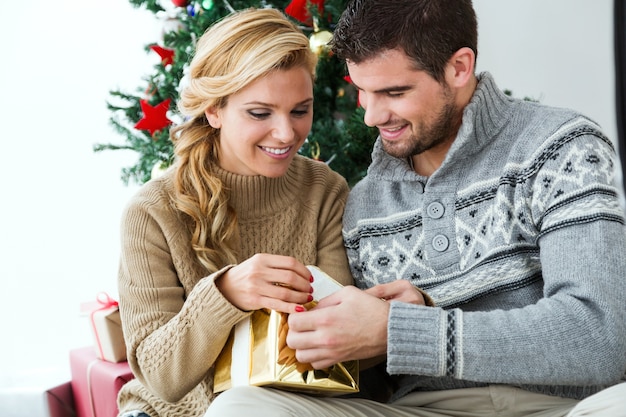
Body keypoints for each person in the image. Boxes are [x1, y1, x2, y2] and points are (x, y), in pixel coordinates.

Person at [205, 1, 626, 416]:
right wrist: (350, 335)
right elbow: (367, 385)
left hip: (569, 407)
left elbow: (600, 336)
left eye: (394, 92)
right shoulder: (364, 203)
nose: (371, 116)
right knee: (243, 408)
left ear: (459, 68)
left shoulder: (561, 147)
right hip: (421, 411)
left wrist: (399, 331)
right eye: (362, 92)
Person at [115, 8, 354, 417]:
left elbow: (341, 353)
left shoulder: (325, 191)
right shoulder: (153, 211)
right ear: (214, 110)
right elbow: (160, 378)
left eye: (300, 110)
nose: (286, 133)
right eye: (259, 113)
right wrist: (224, 294)